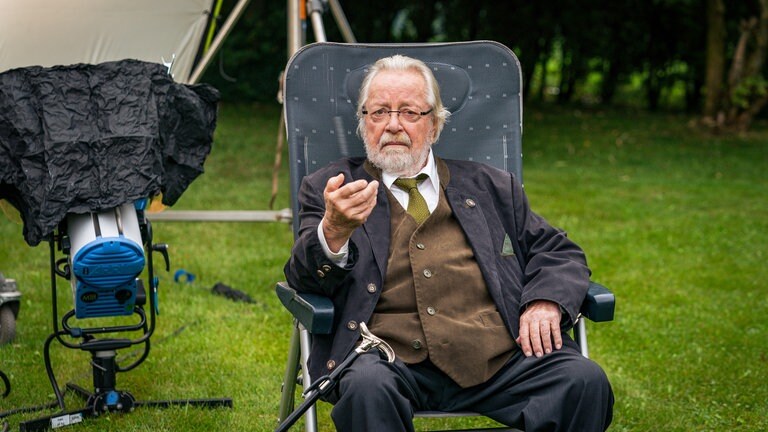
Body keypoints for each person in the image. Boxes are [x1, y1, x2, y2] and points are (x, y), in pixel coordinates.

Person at [284, 54, 613, 432]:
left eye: (409, 112)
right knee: (366, 389)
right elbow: (304, 279)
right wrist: (334, 231)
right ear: (363, 124)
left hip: (498, 356)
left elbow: (558, 251)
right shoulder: (334, 188)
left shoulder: (491, 186)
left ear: (435, 125)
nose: (392, 125)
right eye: (378, 113)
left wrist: (545, 300)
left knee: (583, 380)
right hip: (388, 358)